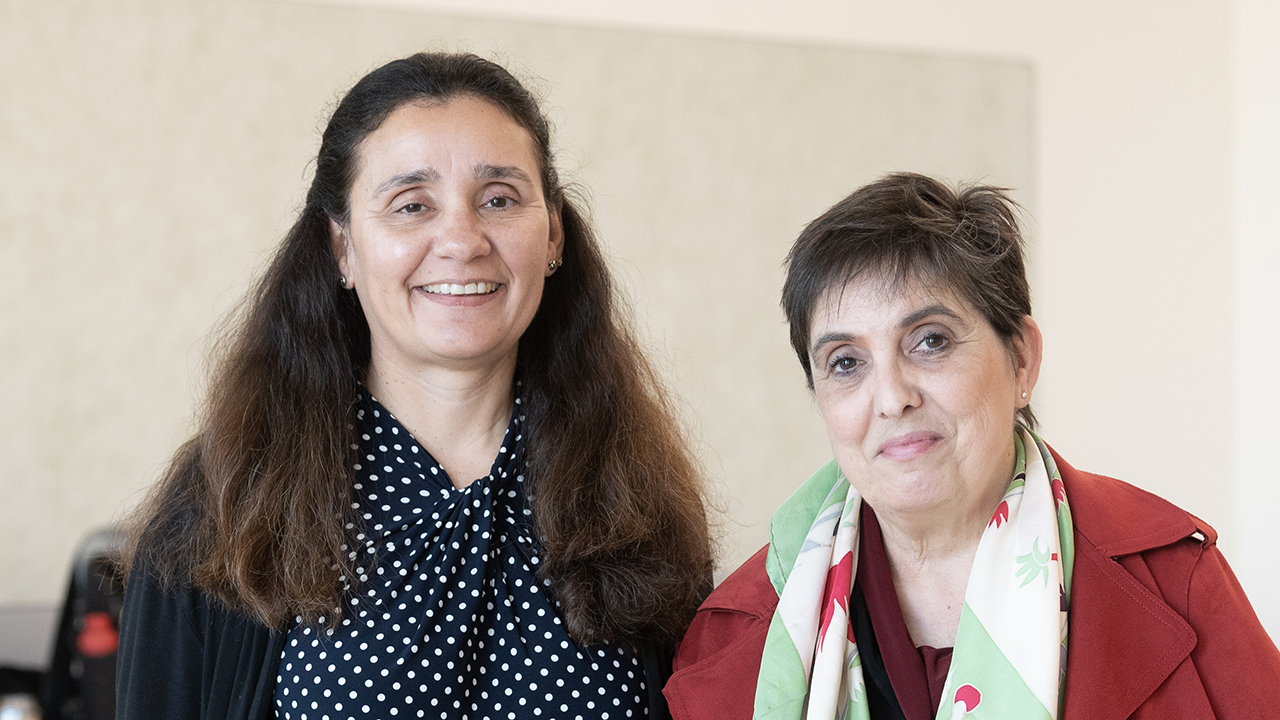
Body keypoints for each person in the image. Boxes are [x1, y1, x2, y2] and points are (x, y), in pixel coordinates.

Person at [116, 52, 713, 720]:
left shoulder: (639, 501)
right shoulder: (224, 502)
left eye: (498, 199)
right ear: (342, 248)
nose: (461, 240)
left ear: (553, 234)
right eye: (411, 206)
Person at [663, 173, 1280, 720]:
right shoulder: (736, 631)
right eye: (846, 362)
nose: (892, 398)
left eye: (930, 341)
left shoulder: (1174, 580)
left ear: (1021, 360)